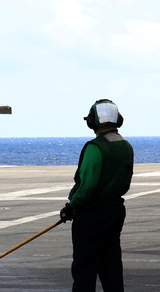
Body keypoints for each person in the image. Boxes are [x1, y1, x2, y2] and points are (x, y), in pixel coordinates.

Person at [59, 99, 134, 292]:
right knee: (111, 266)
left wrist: (71, 207)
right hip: (115, 210)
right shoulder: (126, 145)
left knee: (85, 268)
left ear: (93, 121)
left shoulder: (95, 147)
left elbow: (87, 187)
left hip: (91, 214)